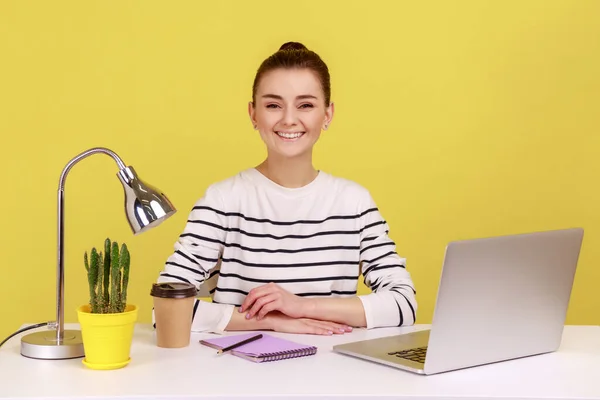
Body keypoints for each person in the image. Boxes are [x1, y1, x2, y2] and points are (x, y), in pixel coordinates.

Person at [156, 41, 417, 336]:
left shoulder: (353, 202)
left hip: (334, 374)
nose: (289, 119)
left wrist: (303, 307)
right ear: (253, 114)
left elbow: (403, 303)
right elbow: (165, 310)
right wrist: (272, 321)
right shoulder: (223, 200)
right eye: (273, 105)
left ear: (328, 114)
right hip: (236, 375)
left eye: (305, 105)